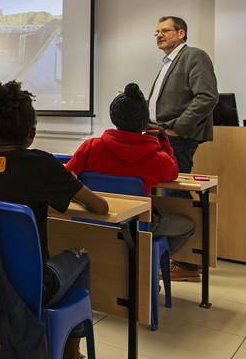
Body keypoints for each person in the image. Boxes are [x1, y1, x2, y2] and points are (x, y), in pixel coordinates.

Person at [0, 81, 109, 359]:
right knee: (81, 255)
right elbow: (100, 207)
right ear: (31, 134)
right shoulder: (43, 165)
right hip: (34, 284)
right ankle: (71, 356)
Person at [66, 83, 195, 260]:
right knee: (188, 225)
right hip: (137, 226)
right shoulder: (157, 159)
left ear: (114, 117)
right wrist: (163, 139)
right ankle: (148, 263)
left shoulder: (91, 147)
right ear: (144, 122)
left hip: (93, 220)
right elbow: (173, 173)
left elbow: (67, 175)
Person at [148, 16, 217, 280]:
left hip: (178, 137)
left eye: (165, 31)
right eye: (156, 32)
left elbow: (207, 96)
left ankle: (189, 264)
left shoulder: (194, 56)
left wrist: (177, 127)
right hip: (161, 135)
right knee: (169, 193)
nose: (159, 35)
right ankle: (179, 258)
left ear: (181, 33)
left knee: (174, 193)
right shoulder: (168, 62)